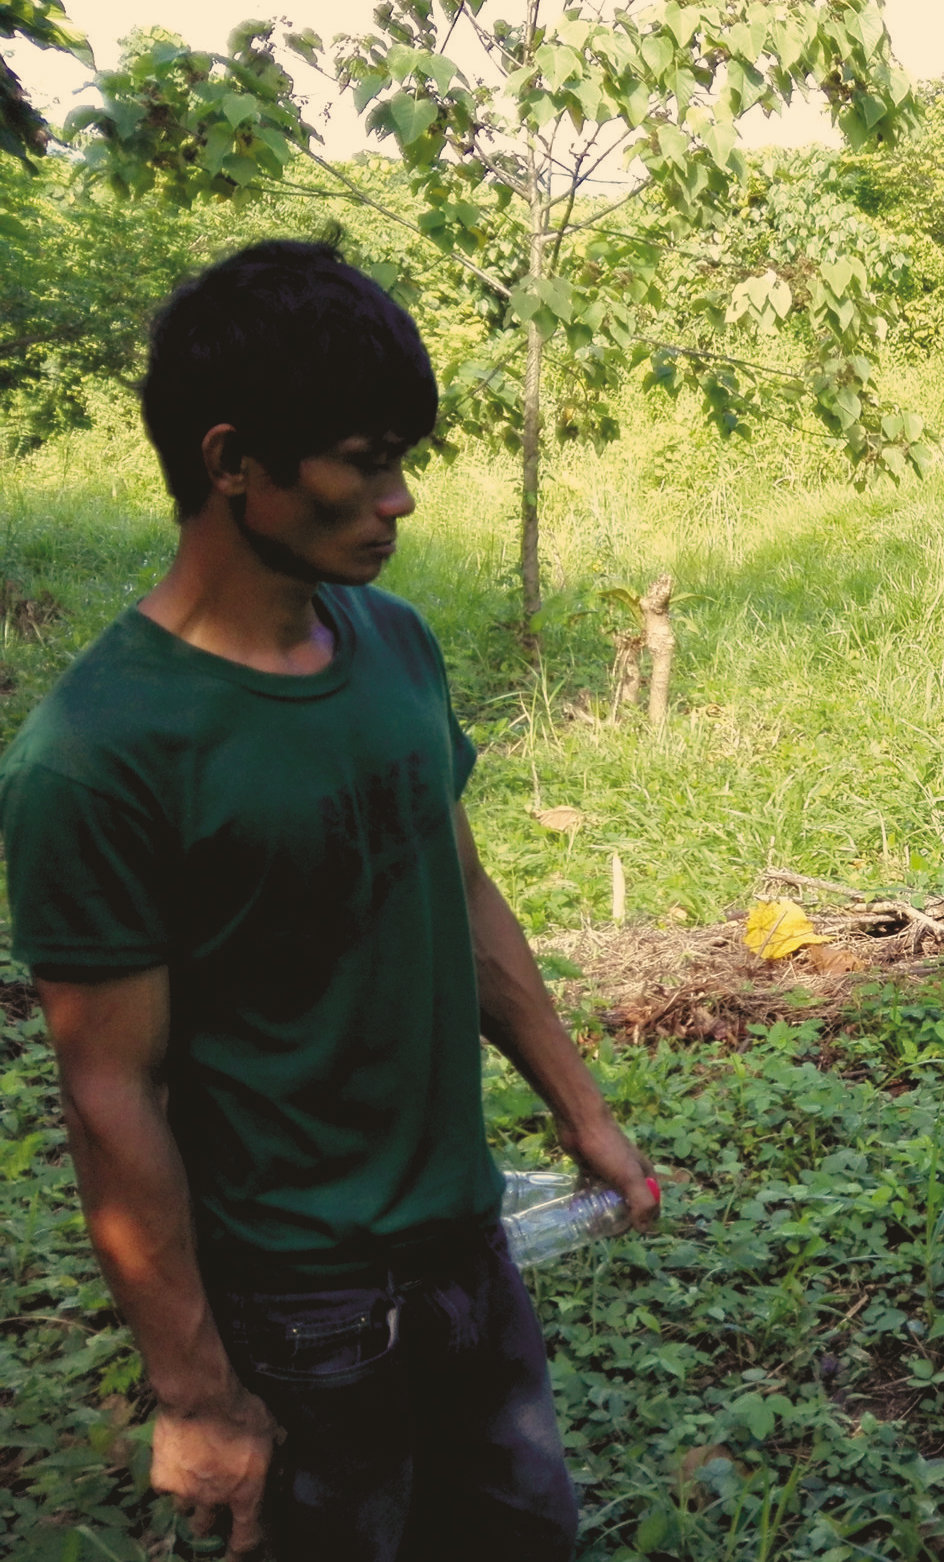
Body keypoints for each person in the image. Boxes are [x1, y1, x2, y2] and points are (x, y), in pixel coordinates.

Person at [0, 240, 659, 1559]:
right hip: (299, 1307)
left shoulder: (395, 645)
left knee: (525, 1535)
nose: (399, 499)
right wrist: (196, 1392)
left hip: (468, 1246)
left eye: (402, 457)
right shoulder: (100, 751)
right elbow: (110, 1091)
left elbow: (461, 892)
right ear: (232, 461)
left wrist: (583, 1112)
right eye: (362, 461)